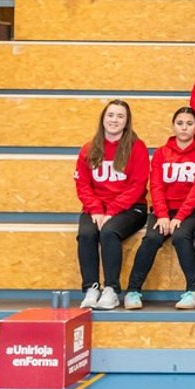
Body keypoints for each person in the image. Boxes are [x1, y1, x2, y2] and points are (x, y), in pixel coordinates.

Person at [122, 107, 195, 310]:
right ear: (173, 126)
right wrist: (162, 215)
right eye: (180, 123)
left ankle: (194, 290)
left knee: (181, 236)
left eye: (189, 124)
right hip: (165, 209)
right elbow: (156, 186)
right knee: (151, 238)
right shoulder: (162, 153)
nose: (184, 128)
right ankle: (133, 290)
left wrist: (180, 216)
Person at [75, 99, 149, 310]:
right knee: (86, 234)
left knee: (109, 232)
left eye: (120, 116)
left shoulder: (137, 148)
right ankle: (91, 288)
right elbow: (82, 184)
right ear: (103, 119)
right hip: (96, 209)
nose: (114, 120)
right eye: (110, 115)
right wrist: (97, 209)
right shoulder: (89, 149)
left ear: (126, 122)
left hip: (131, 208)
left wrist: (112, 211)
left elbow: (137, 186)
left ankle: (111, 290)